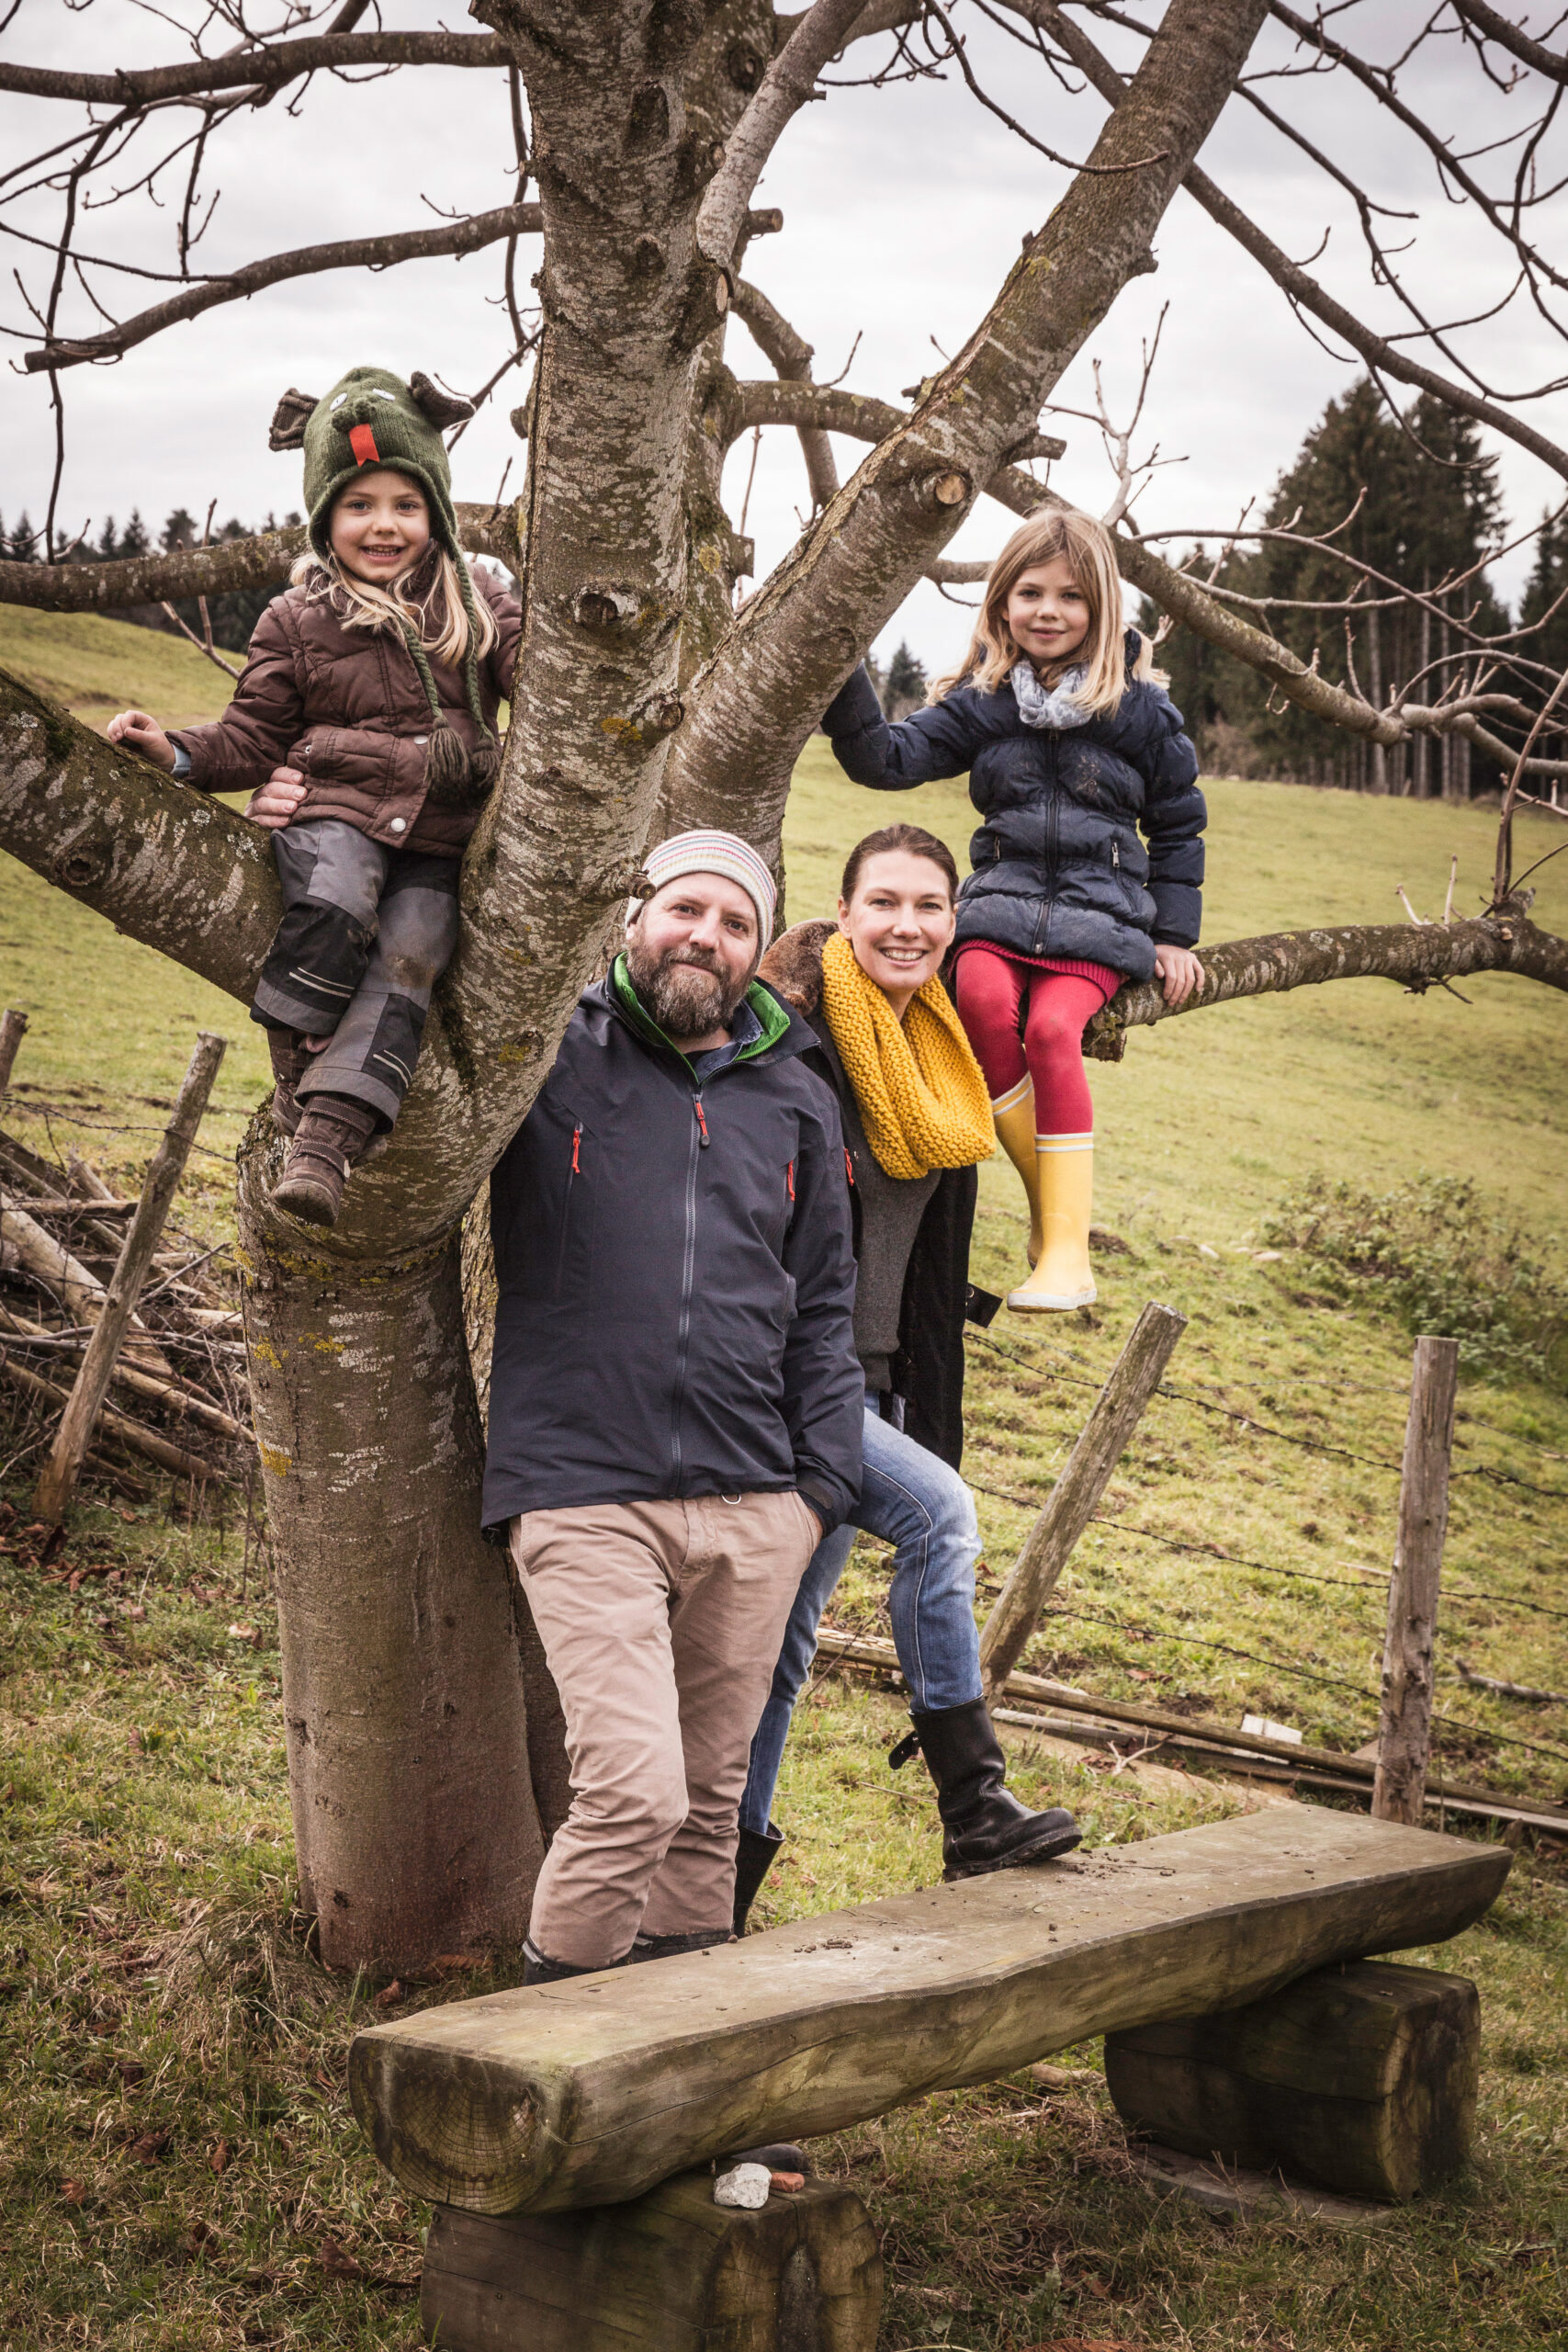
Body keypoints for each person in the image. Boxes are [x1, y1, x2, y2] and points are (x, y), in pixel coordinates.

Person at [481, 829, 863, 1983]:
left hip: (756, 1506)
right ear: (633, 917)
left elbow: (826, 1308)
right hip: (584, 1492)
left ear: (761, 949)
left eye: (736, 921)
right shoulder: (546, 1056)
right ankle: (544, 2080)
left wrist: (817, 1494)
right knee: (634, 1795)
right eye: (685, 909)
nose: (705, 935)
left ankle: (673, 2092)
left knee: (707, 1807)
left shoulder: (797, 1097)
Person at [733, 823, 1082, 1936]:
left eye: (930, 906)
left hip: (881, 1382)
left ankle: (715, 1894)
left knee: (781, 1652)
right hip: (796, 1382)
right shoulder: (789, 1036)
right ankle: (973, 1802)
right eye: (884, 902)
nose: (907, 925)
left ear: (953, 920)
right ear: (845, 914)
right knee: (943, 1519)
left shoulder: (942, 1055)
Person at [107, 365, 518, 1228]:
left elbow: (548, 678)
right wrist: (173, 752)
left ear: (436, 513)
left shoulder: (478, 603)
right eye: (358, 504)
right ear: (326, 516)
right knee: (337, 899)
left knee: (414, 951)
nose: (383, 525)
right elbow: (252, 737)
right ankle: (298, 1050)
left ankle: (325, 1141)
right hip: (333, 817)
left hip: (439, 843)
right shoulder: (295, 620)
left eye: (405, 505)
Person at [820, 510, 1207, 1314]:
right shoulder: (984, 702)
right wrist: (837, 663)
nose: (1048, 611)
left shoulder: (1139, 712)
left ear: (1101, 610)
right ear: (1000, 604)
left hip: (1102, 916)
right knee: (981, 1002)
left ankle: (1065, 1248)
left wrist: (1172, 936)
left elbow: (1177, 822)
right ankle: (1056, 1222)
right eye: (1029, 592)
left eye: (1070, 597)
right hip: (997, 910)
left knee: (1052, 1031)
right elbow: (883, 760)